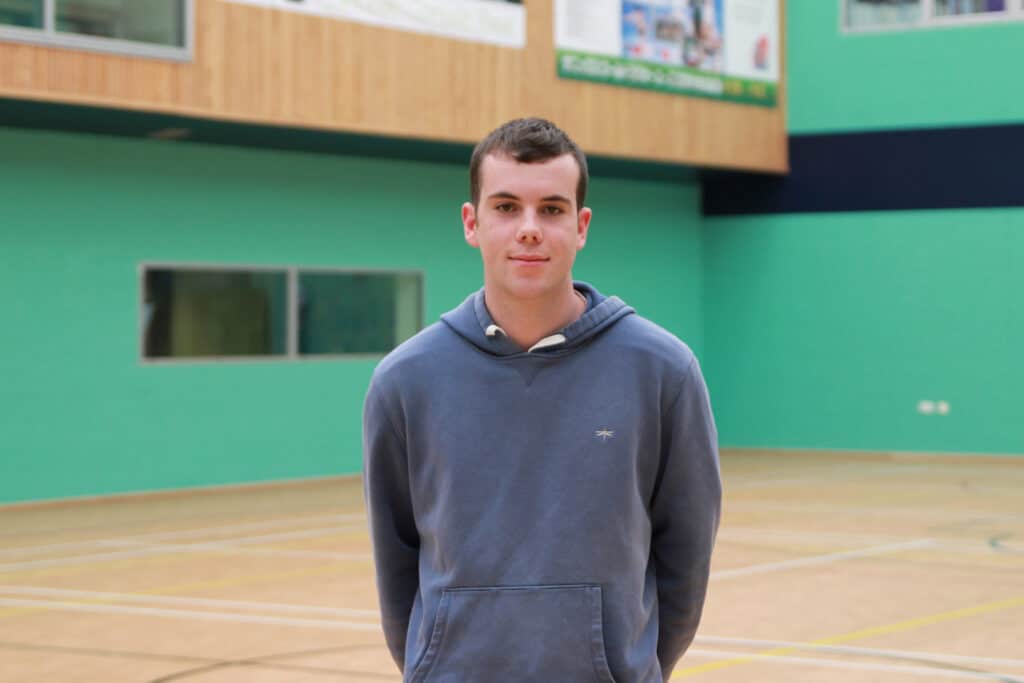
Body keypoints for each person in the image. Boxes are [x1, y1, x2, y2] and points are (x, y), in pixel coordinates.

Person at [363, 117, 721, 682]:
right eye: (506, 207)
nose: (529, 229)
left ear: (580, 226)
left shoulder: (662, 370)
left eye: (551, 209)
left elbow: (686, 558)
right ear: (471, 222)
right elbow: (397, 560)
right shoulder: (405, 380)